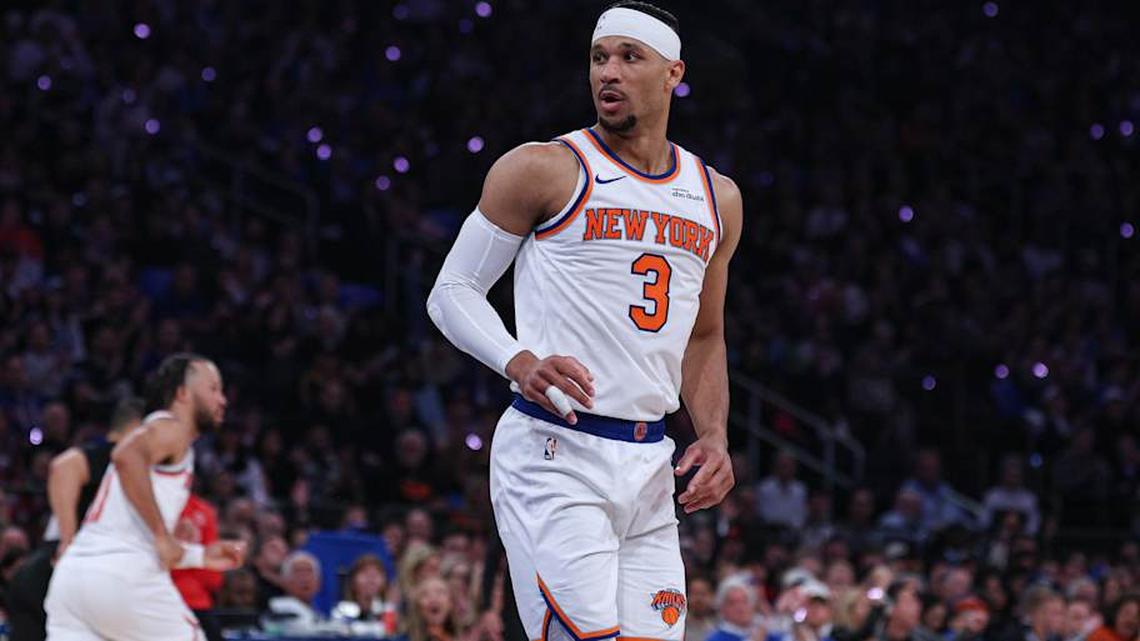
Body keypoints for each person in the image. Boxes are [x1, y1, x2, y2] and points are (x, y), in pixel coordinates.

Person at [426, 2, 742, 640]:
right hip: (555, 451)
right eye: (600, 57)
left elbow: (704, 335)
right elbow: (452, 290)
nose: (610, 72)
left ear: (673, 73)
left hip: (650, 461)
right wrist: (518, 360)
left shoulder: (717, 196)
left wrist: (713, 434)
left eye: (631, 57)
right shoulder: (543, 168)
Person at [44, 353, 246, 641]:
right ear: (183, 393)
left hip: (73, 579)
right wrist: (162, 534)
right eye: (214, 389)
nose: (222, 400)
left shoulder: (168, 448)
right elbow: (126, 455)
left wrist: (198, 556)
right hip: (121, 578)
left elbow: (129, 537)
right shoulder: (171, 426)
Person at [6, 397, 143, 641]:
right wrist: (68, 542)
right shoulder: (114, 454)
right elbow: (62, 466)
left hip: (53, 573)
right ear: (137, 428)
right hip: (55, 573)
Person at [331, 554, 399, 636]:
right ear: (353, 581)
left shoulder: (389, 613)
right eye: (365, 572)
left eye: (377, 573)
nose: (371, 578)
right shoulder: (341, 610)